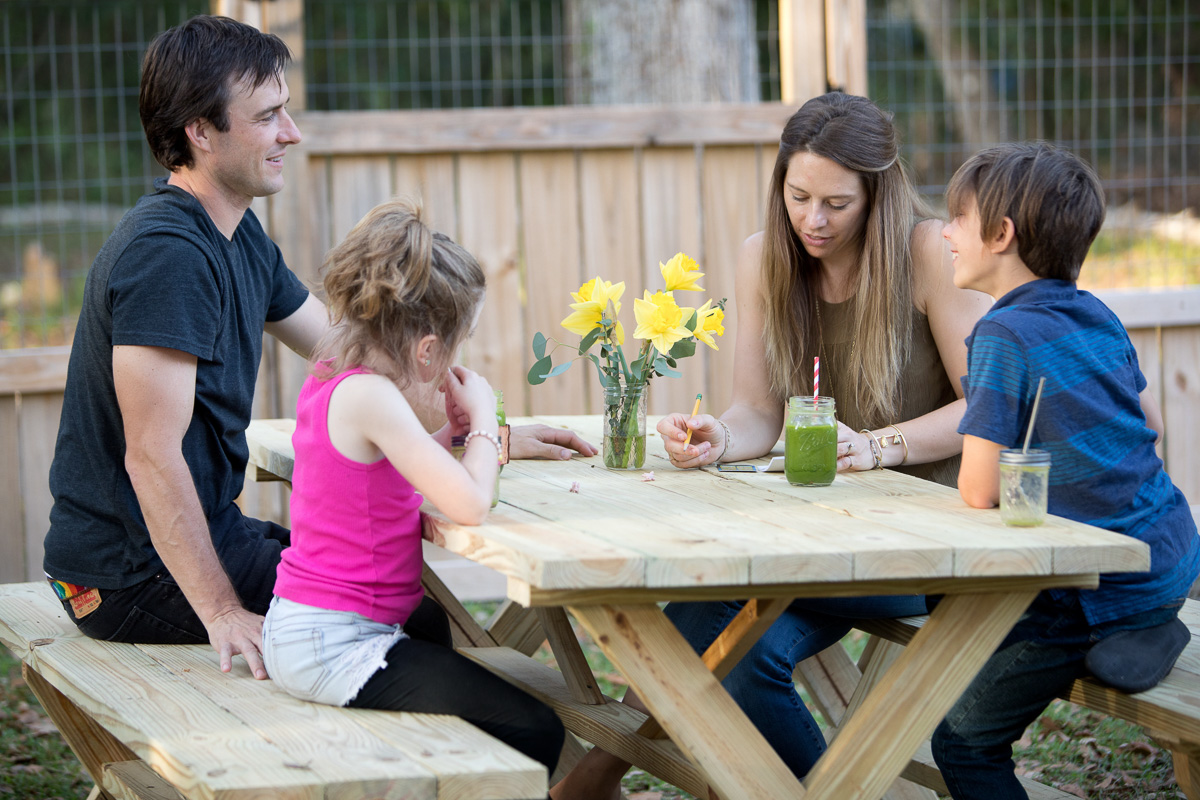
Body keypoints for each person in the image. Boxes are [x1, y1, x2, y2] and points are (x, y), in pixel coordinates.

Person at [43, 15, 595, 682]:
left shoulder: (239, 237)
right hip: (125, 577)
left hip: (203, 537)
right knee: (410, 625)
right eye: (269, 115)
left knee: (402, 591)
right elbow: (151, 455)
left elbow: (359, 355)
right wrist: (221, 613)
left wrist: (479, 431)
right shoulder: (168, 256)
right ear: (201, 131)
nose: (291, 133)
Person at [550, 91, 992, 797]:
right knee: (733, 643)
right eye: (798, 196)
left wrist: (878, 447)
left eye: (837, 204)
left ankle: (596, 773)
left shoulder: (927, 253)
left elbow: (989, 409)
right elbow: (758, 410)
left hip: (925, 536)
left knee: (713, 618)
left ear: (878, 195)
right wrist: (719, 437)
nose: (813, 220)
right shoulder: (766, 257)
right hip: (812, 537)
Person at [260, 197, 565, 775]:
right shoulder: (369, 396)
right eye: (460, 340)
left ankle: (451, 770)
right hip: (332, 647)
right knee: (535, 727)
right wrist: (481, 418)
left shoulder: (336, 371)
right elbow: (470, 504)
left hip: (311, 626)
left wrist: (452, 430)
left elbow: (398, 460)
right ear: (428, 350)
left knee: (429, 623)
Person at [932, 142, 1199, 799]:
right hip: (1170, 551)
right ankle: (1145, 619)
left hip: (1091, 586)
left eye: (956, 219)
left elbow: (978, 490)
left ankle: (1123, 626)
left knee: (960, 742)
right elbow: (1153, 424)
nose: (943, 232)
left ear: (1001, 235)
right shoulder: (1095, 312)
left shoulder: (1002, 335)